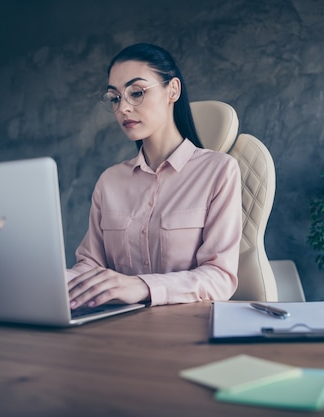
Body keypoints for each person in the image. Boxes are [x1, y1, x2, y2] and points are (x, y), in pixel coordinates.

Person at [67, 43, 242, 308]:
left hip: (188, 331)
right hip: (116, 330)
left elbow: (220, 277)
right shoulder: (109, 182)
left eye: (136, 93)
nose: (123, 108)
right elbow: (91, 266)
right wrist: (50, 280)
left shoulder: (219, 171)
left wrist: (143, 286)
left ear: (172, 90)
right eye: (115, 98)